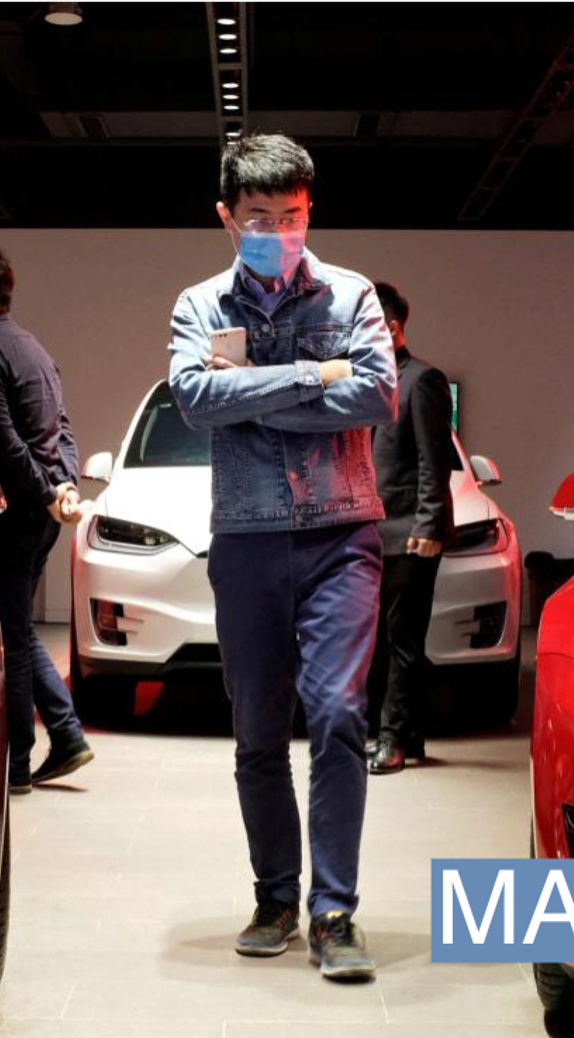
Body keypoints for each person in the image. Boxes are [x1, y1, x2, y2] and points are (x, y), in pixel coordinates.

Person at [166, 134, 397, 981]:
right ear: (228, 218)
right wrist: (311, 375)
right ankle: (275, 895)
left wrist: (257, 398)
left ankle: (334, 912)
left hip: (343, 533)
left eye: (293, 217)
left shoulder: (352, 292)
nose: (278, 232)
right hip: (248, 538)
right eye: (260, 218)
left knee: (337, 715)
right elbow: (195, 399)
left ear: (311, 211)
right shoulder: (199, 305)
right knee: (257, 730)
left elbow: (375, 393)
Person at [0, 242, 94, 795]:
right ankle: (66, 734)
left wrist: (43, 492)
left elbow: (4, 444)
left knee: (9, 634)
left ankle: (18, 764)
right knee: (20, 629)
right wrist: (64, 487)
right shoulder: (33, 348)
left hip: (9, 512)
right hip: (41, 512)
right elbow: (64, 428)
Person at [364, 281, 453, 776]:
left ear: (393, 328)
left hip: (411, 535)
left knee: (402, 642)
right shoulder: (373, 381)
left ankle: (393, 739)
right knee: (379, 642)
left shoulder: (423, 381)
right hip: (374, 535)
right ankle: (407, 733)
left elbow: (432, 463)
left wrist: (428, 524)